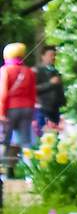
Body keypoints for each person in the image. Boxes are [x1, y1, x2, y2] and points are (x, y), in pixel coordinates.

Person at [0, 43, 37, 175]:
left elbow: (3, 93)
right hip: (26, 108)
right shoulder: (29, 71)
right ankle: (31, 173)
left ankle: (6, 172)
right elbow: (33, 94)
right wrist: (32, 113)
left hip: (10, 109)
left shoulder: (5, 70)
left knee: (4, 140)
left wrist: (1, 113)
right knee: (25, 142)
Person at [35, 44, 64, 128]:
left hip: (55, 108)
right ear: (43, 56)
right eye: (50, 55)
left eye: (54, 55)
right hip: (43, 107)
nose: (53, 58)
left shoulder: (55, 71)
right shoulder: (37, 71)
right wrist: (50, 83)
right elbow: (34, 89)